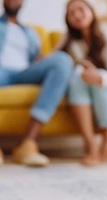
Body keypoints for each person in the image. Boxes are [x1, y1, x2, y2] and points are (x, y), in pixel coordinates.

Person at [0, 0, 73, 166]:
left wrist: (42, 59)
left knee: (62, 60)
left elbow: (37, 57)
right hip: (2, 71)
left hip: (26, 71)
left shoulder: (31, 33)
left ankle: (27, 143)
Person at [59, 0, 107, 166]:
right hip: (80, 86)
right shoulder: (69, 41)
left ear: (91, 11)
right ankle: (90, 144)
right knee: (79, 74)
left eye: (80, 9)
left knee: (97, 82)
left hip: (106, 89)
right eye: (71, 13)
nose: (76, 15)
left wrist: (100, 78)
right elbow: (55, 57)